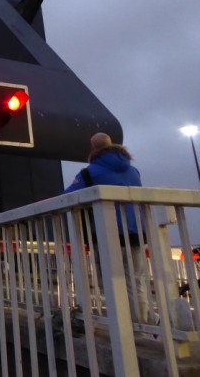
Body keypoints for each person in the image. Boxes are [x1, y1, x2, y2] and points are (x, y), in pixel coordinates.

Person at [64, 133, 150, 323]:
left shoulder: (90, 172)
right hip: (136, 233)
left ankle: (122, 324)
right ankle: (141, 324)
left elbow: (67, 196)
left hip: (106, 233)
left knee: (111, 281)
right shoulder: (133, 171)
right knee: (136, 281)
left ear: (93, 148)